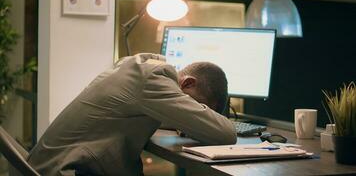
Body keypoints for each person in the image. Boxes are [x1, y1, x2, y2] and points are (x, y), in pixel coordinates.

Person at [27, 53, 237, 176]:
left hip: (48, 168)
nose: (193, 110)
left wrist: (187, 120)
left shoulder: (137, 66)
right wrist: (202, 120)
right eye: (199, 106)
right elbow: (226, 134)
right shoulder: (154, 80)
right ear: (188, 83)